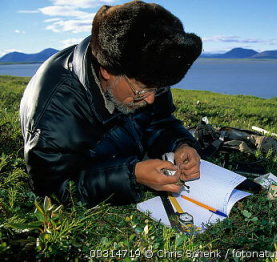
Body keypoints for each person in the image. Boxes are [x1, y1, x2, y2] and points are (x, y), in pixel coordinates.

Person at [19, 1, 202, 207]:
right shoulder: (56, 109)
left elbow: (160, 120)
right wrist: (131, 176)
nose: (151, 99)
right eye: (143, 90)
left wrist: (179, 144)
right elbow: (53, 188)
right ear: (107, 71)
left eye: (158, 89)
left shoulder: (146, 71)